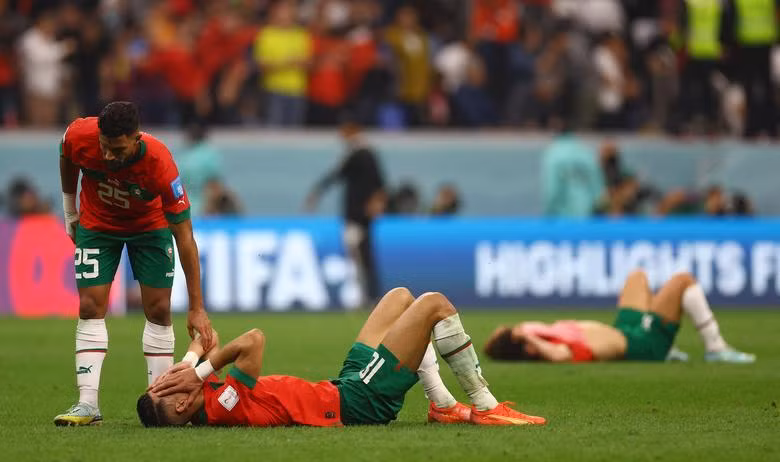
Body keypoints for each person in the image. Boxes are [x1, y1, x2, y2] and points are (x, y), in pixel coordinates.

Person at [139, 288, 546, 427]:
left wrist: (190, 361)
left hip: (341, 386)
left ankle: (440, 404)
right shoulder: (225, 407)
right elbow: (253, 341)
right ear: (181, 403)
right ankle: (485, 406)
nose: (165, 378)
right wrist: (199, 370)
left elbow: (210, 344)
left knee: (399, 298)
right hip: (358, 402)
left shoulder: (198, 397)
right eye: (165, 386)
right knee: (434, 305)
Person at [54, 101, 213, 426]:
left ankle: (160, 401)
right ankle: (87, 405)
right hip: (98, 224)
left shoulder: (160, 164)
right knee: (90, 304)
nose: (108, 156)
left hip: (149, 227)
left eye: (117, 150)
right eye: (104, 146)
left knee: (159, 309)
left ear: (136, 138)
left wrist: (196, 307)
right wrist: (70, 210)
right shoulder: (80, 134)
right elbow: (67, 154)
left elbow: (185, 238)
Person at [484, 270, 755, 363]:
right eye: (508, 331)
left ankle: (670, 346)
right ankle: (715, 348)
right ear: (523, 345)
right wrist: (530, 337)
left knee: (637, 276)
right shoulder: (548, 348)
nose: (515, 327)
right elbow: (560, 356)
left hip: (624, 329)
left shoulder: (542, 335)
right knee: (684, 280)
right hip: (641, 343)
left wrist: (527, 333)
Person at [305, 122, 385, 303]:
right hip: (360, 214)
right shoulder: (363, 153)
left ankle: (367, 294)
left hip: (357, 214)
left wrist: (317, 192)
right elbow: (378, 182)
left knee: (359, 255)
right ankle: (368, 294)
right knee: (362, 254)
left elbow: (337, 175)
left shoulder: (360, 153)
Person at [541, 128, 605, 218]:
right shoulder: (586, 151)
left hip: (563, 217)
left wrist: (548, 215)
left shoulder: (553, 153)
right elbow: (598, 188)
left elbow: (551, 190)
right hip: (588, 215)